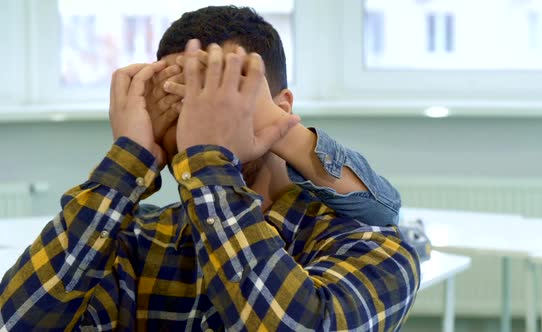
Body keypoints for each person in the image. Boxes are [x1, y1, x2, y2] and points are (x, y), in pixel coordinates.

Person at [0, 6, 420, 331]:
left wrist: (209, 161)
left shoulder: (371, 246)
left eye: (227, 93)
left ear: (282, 106)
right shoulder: (138, 241)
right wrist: (129, 160)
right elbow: (16, 322)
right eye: (184, 97)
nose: (204, 115)